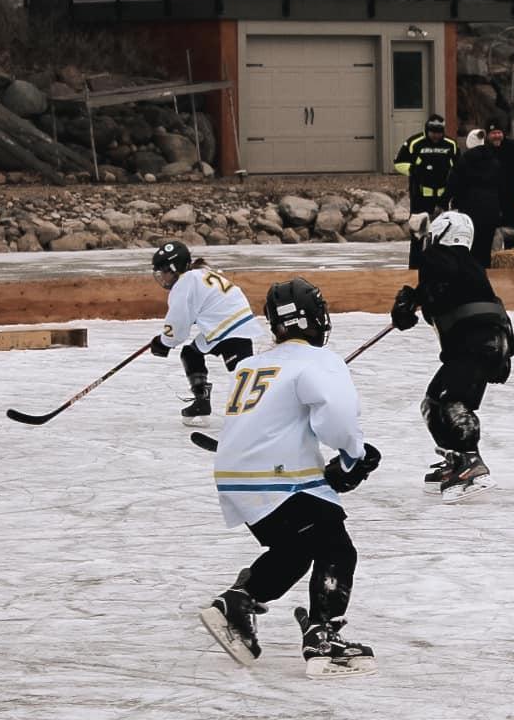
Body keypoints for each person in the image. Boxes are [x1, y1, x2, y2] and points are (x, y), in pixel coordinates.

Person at [199, 278, 379, 680]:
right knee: (336, 547)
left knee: (296, 550)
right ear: (316, 318)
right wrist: (353, 458)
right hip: (279, 476)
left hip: (234, 477)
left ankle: (238, 602)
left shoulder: (251, 364)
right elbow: (338, 416)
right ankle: (323, 634)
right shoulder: (319, 360)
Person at [389, 210, 514, 502]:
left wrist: (413, 297)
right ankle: (455, 458)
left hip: (478, 346)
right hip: (480, 345)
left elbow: (435, 280)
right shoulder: (462, 268)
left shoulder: (443, 260)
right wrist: (409, 303)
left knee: (450, 402)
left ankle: (471, 462)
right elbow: (436, 297)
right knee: (432, 403)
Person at [146, 240, 258, 426]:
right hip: (234, 323)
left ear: (174, 268)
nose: (162, 277)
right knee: (191, 353)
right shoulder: (201, 273)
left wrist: (163, 342)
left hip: (228, 328)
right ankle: (202, 402)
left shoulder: (184, 284)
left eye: (164, 271)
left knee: (244, 376)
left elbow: (178, 326)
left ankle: (260, 414)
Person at [447, 120, 514, 268]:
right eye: (493, 133)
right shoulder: (486, 155)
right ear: (487, 136)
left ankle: (510, 264)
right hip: (491, 202)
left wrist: (512, 175)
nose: (497, 136)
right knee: (488, 238)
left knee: (510, 234)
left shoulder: (512, 147)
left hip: (507, 198)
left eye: (499, 132)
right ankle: (490, 264)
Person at [394, 113, 458, 269]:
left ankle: (441, 268)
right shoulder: (415, 142)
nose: (436, 135)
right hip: (420, 198)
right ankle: (414, 269)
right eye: (433, 132)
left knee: (443, 235)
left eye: (439, 132)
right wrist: (414, 170)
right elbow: (398, 163)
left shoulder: (451, 145)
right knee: (418, 236)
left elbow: (458, 169)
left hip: (443, 199)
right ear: (427, 130)